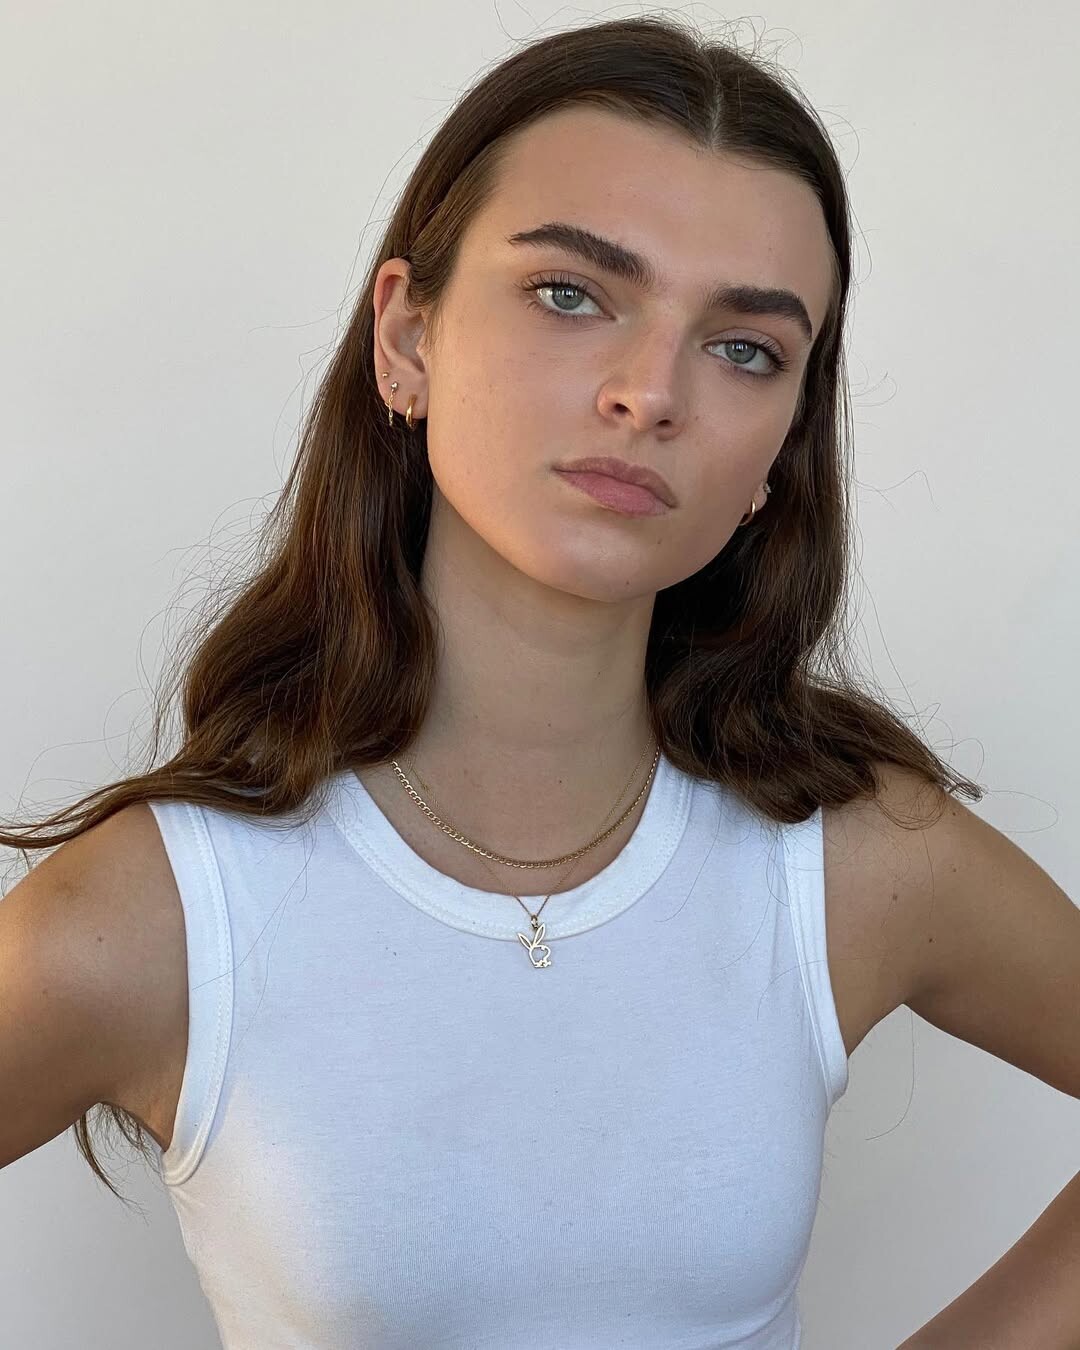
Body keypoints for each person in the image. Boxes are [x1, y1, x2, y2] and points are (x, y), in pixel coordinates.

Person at [0, 14, 987, 1348]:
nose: (649, 392)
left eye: (745, 347)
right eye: (571, 293)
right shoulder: (152, 914)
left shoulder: (856, 857)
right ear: (407, 336)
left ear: (781, 451)